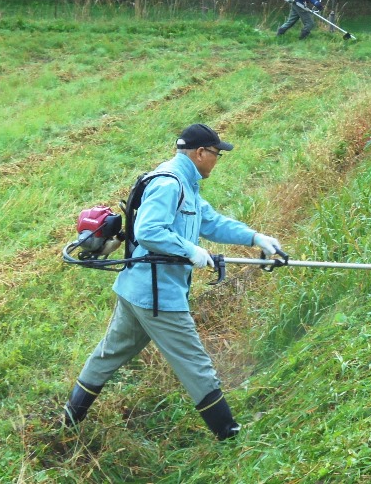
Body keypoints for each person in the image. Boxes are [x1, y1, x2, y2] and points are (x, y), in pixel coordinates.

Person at [62, 123, 282, 441]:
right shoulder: (170, 183)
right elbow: (150, 230)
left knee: (108, 355)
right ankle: (231, 435)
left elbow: (211, 222)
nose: (218, 160)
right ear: (200, 153)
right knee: (195, 364)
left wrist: (255, 237)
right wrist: (190, 250)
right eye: (217, 154)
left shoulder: (185, 182)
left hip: (135, 290)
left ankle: (67, 421)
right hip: (156, 296)